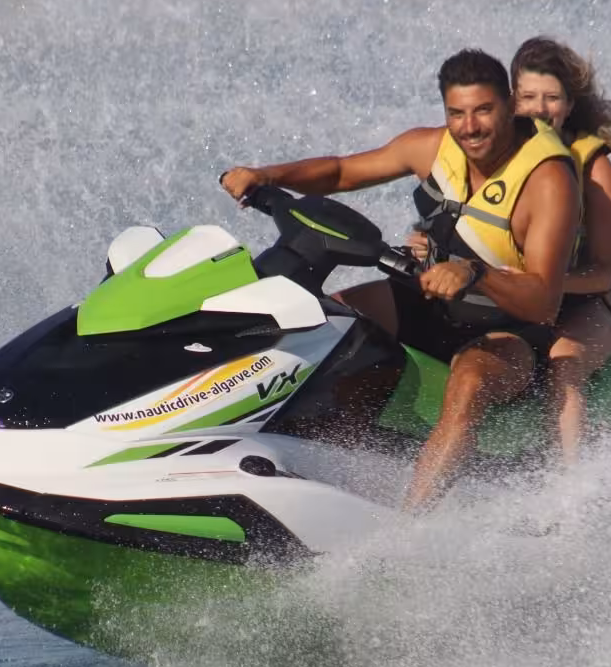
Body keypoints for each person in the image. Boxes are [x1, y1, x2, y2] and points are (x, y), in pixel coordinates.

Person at [220, 49, 580, 510]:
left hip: (507, 327)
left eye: (484, 110)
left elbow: (543, 302)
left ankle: (410, 527)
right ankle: (251, 452)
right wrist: (266, 175)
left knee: (469, 381)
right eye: (457, 113)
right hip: (427, 300)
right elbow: (342, 172)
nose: (469, 127)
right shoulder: (429, 146)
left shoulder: (547, 180)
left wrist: (475, 272)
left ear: (510, 105)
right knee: (319, 323)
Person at [508, 36, 611, 466]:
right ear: (511, 99)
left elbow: (606, 271)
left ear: (569, 104)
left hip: (585, 304)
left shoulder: (592, 164)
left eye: (552, 98)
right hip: (510, 299)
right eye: (528, 97)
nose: (539, 109)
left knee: (564, 362)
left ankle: (571, 487)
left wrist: (546, 284)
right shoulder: (491, 152)